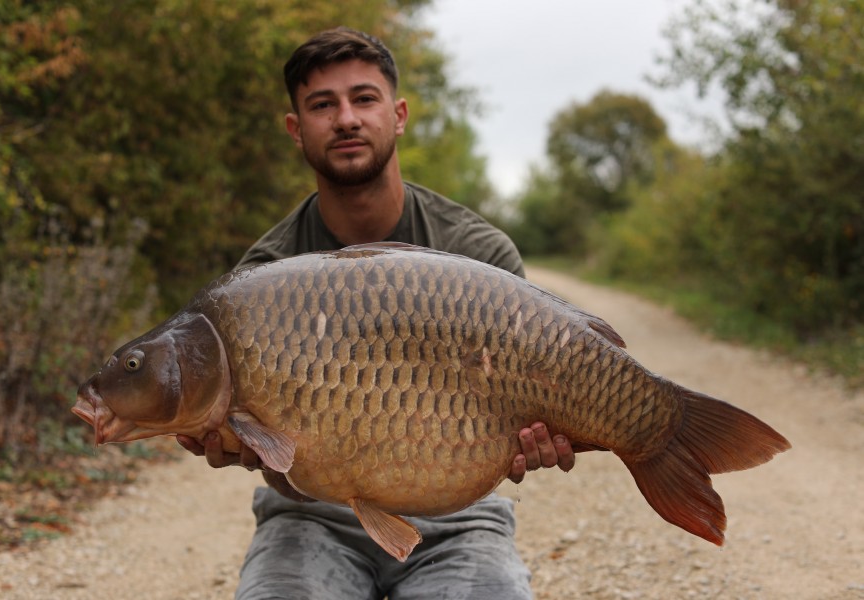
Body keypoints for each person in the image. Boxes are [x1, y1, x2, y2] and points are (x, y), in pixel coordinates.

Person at [177, 27, 575, 600]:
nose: (345, 119)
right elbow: (271, 455)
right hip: (311, 514)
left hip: (456, 515)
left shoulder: (479, 253)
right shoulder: (260, 279)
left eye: (363, 99)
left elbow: (533, 401)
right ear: (296, 129)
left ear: (398, 114)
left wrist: (541, 436)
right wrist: (242, 446)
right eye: (322, 105)